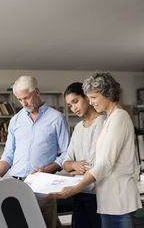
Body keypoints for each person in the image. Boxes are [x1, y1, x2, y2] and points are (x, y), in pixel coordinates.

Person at [49, 72, 142, 228]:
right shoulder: (110, 119)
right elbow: (87, 163)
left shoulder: (119, 117)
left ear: (107, 94)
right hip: (107, 199)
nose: (91, 102)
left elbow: (103, 163)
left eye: (93, 97)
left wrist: (74, 189)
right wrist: (74, 168)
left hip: (118, 199)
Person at [0, 75, 70, 228]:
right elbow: (8, 154)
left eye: (26, 98)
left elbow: (67, 153)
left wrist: (46, 170)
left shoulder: (57, 118)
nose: (24, 103)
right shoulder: (15, 120)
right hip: (16, 183)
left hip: (43, 183)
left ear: (37, 91)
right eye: (20, 99)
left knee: (46, 224)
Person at [63, 82, 104, 228]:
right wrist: (74, 165)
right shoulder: (78, 128)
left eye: (75, 101)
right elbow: (65, 163)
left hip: (97, 195)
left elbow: (95, 167)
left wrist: (73, 170)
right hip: (77, 192)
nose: (73, 108)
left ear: (87, 97)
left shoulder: (102, 122)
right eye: (69, 105)